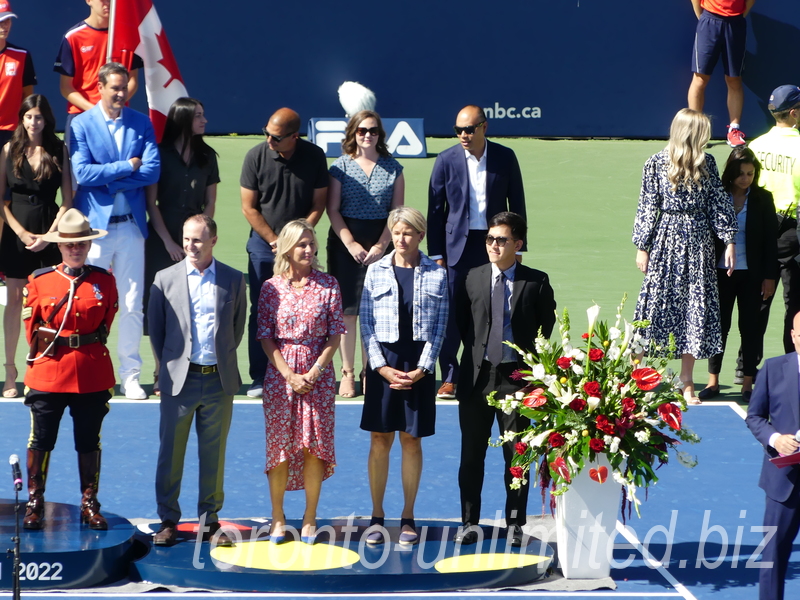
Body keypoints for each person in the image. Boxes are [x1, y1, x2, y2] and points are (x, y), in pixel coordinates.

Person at [454, 211, 555, 547]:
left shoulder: (536, 281)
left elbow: (545, 328)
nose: (494, 245)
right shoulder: (471, 278)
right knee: (471, 454)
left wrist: (534, 374)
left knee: (517, 454)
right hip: (477, 378)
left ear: (518, 244)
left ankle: (515, 523)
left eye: (501, 240)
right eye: (489, 239)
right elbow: (462, 326)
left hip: (516, 377)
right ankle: (469, 521)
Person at [148, 215, 246, 548]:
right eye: (187, 239)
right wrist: (165, 368)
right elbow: (157, 331)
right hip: (179, 381)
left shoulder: (234, 280)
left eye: (198, 240)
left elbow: (236, 328)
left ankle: (210, 521)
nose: (190, 246)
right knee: (170, 454)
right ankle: (167, 521)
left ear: (213, 241)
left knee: (213, 454)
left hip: (219, 381)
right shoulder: (164, 279)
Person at [20, 208, 117, 531]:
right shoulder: (40, 281)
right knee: (42, 439)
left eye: (81, 244)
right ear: (59, 247)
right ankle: (35, 501)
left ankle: (89, 502)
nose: (75, 249)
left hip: (90, 371)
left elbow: (105, 324)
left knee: (89, 440)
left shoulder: (104, 281)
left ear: (88, 246)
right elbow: (31, 328)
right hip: (49, 369)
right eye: (68, 245)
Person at [632, 108, 737, 404]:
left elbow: (718, 202)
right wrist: (643, 246)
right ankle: (634, 376)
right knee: (652, 307)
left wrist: (729, 240)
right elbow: (647, 206)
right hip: (665, 240)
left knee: (695, 307)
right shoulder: (655, 164)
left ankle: (686, 381)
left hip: (699, 242)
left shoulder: (709, 164)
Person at [70, 62, 160, 400]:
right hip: (95, 229)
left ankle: (130, 376)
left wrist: (110, 176)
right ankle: (88, 371)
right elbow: (83, 174)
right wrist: (126, 167)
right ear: (101, 87)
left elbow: (151, 171)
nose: (121, 93)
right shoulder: (81, 124)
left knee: (133, 304)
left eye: (125, 88)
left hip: (132, 229)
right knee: (89, 303)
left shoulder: (142, 123)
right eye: (115, 88)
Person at [359, 207, 447, 545]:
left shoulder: (437, 274)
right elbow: (366, 324)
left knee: (412, 440)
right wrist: (380, 367)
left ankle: (408, 517)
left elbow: (440, 327)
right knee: (380, 440)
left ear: (420, 235)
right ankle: (377, 517)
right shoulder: (375, 272)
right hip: (384, 365)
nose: (401, 238)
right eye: (396, 232)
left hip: (419, 369)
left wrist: (424, 369)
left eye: (408, 233)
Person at [427, 105, 526, 400]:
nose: (463, 135)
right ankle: (450, 376)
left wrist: (519, 246)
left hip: (495, 245)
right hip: (456, 248)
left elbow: (517, 202)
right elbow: (435, 211)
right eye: (458, 130)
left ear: (484, 127)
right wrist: (436, 255)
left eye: (469, 129)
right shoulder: (445, 160)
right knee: (453, 313)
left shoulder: (505, 157)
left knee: (495, 308)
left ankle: (493, 372)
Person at [257, 220, 344, 544]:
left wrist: (314, 372)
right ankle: (277, 518)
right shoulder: (271, 288)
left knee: (313, 448)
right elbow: (266, 336)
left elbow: (335, 333)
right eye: (302, 245)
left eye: (311, 243)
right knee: (279, 448)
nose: (308, 250)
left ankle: (309, 519)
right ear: (288, 248)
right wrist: (289, 375)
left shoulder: (328, 285)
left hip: (317, 378)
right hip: (281, 378)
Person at [241, 108, 327, 398]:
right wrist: (276, 241)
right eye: (266, 133)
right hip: (264, 248)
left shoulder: (314, 156)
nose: (269, 141)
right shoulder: (255, 156)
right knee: (263, 311)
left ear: (295, 137)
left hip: (299, 246)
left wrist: (299, 239)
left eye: (276, 138)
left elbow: (318, 203)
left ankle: (301, 372)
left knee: (306, 311)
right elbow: (249, 207)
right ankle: (259, 376)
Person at [327, 110, 404, 397]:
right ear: (353, 134)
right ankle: (347, 372)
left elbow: (396, 213)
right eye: (362, 131)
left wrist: (382, 246)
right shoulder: (340, 167)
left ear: (380, 135)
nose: (367, 135)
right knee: (348, 313)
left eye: (372, 131)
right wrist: (350, 244)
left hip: (380, 244)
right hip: (346, 244)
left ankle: (369, 371)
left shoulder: (394, 168)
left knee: (374, 312)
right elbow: (332, 209)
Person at [144, 97, 218, 395]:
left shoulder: (208, 156)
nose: (205, 120)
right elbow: (152, 203)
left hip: (195, 240)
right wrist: (169, 242)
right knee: (160, 308)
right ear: (184, 120)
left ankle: (187, 366)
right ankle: (161, 369)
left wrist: (200, 237)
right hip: (163, 240)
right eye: (199, 116)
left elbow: (210, 202)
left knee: (193, 306)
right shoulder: (159, 155)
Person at [0, 95, 71, 399]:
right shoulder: (8, 150)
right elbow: (2, 201)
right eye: (29, 117)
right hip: (17, 237)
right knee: (15, 301)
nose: (33, 122)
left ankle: (39, 369)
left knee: (46, 307)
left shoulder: (58, 150)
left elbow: (67, 200)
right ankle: (10, 372)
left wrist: (49, 236)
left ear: (46, 120)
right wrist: (22, 233)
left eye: (39, 117)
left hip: (49, 235)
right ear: (22, 119)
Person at [699, 147, 777, 402]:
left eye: (751, 174)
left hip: (752, 275)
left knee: (751, 328)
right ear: (731, 173)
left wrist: (769, 276)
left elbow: (769, 242)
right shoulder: (718, 196)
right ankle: (713, 382)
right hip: (721, 274)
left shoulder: (763, 199)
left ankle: (747, 384)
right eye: (741, 173)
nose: (746, 178)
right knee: (719, 327)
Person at [743, 85, 800, 368]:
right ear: (794, 113)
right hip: (792, 233)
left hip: (759, 234)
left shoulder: (755, 146)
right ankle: (793, 368)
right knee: (796, 304)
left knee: (757, 303)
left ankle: (746, 370)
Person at [745, 310, 800, 600]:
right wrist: (776, 439)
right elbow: (754, 417)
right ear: (793, 336)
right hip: (784, 482)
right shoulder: (773, 368)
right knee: (773, 556)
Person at [54, 0, 141, 125]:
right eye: (102, 0)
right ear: (89, 1)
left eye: (111, 0)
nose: (107, 3)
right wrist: (96, 111)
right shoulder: (73, 37)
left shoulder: (128, 35)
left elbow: (132, 80)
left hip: (118, 115)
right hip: (82, 115)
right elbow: (66, 87)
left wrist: (114, 105)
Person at [686, 0, 754, 147]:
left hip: (735, 24)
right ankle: (695, 133)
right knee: (700, 79)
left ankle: (734, 130)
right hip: (709, 22)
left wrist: (739, 16)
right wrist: (705, 19)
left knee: (734, 79)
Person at [0, 0, 36, 148]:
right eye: (1, 21)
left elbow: (27, 95)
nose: (5, 25)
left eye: (7, 20)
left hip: (11, 131)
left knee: (11, 171)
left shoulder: (22, 55)